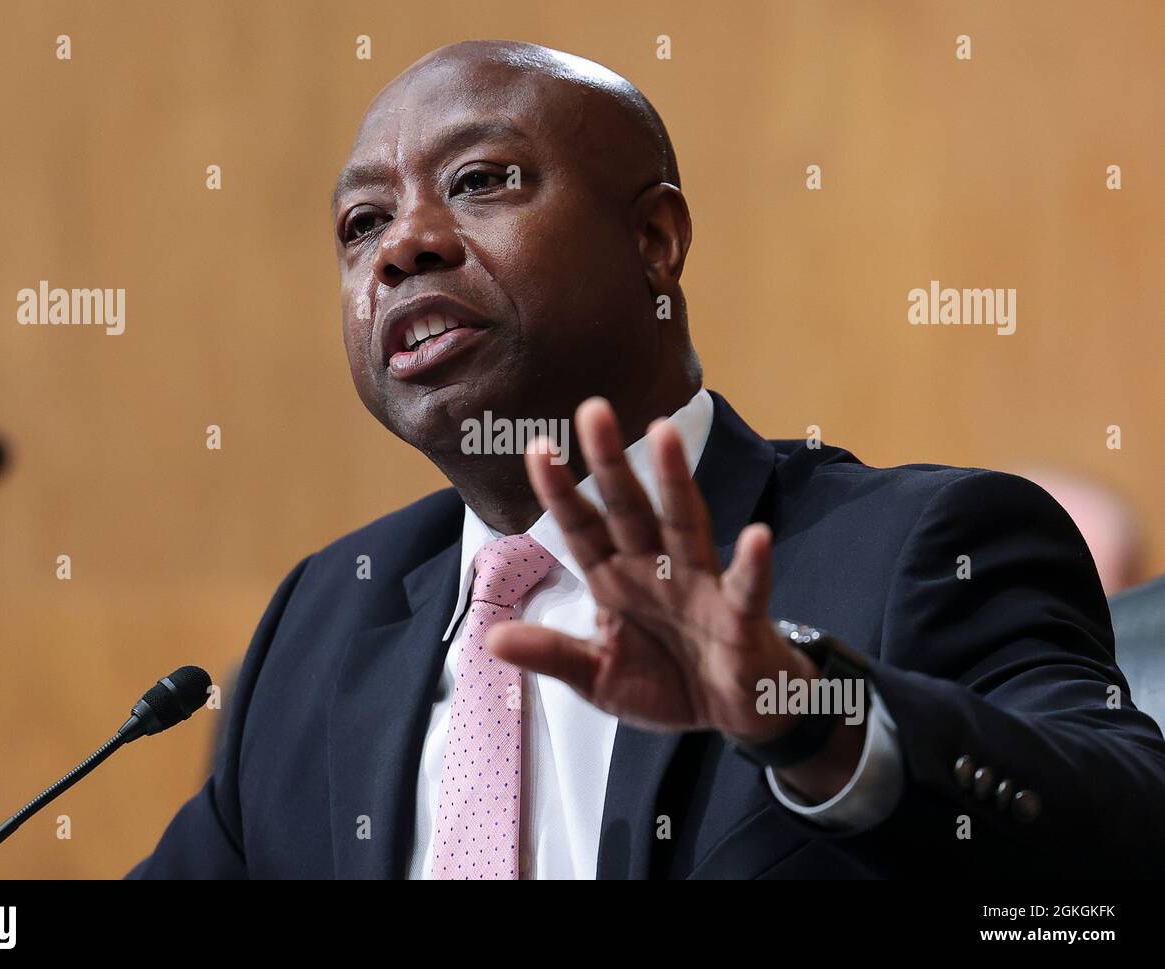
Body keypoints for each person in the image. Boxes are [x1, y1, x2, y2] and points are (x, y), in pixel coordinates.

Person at [129, 40, 1165, 879]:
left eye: (480, 180)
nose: (404, 245)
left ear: (655, 240)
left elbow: (1125, 829)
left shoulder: (918, 546)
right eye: (363, 224)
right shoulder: (323, 620)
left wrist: (805, 711)